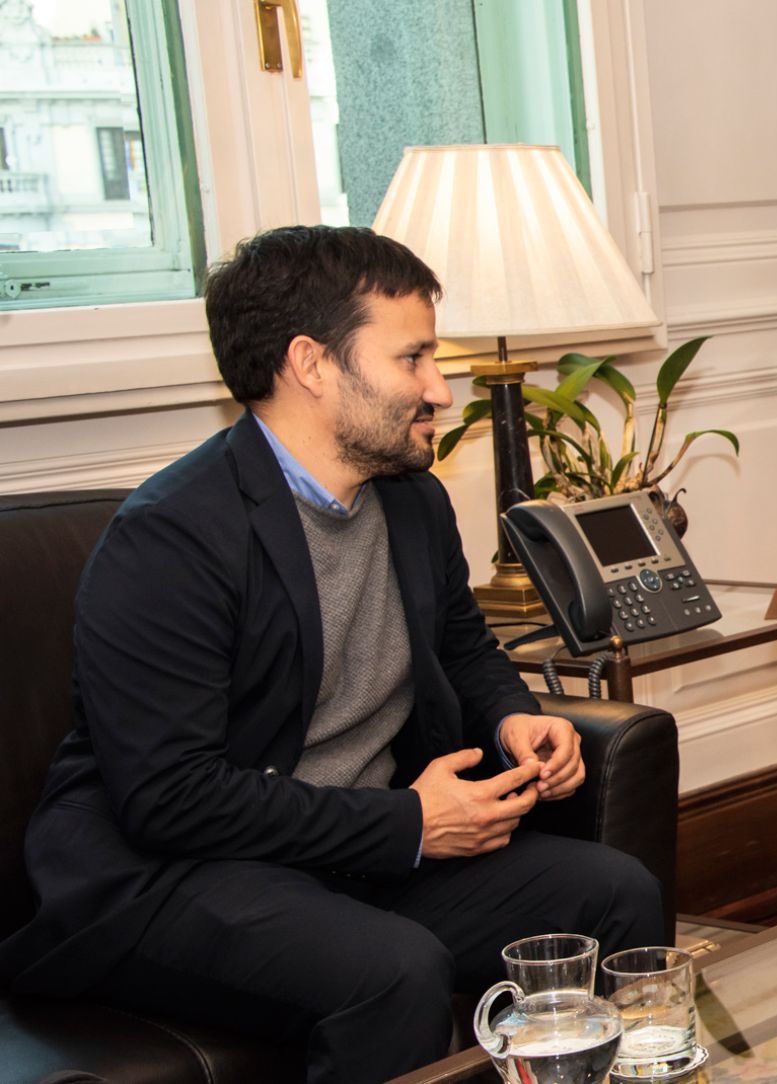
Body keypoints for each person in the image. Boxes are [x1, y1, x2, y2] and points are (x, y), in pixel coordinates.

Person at [0, 226, 664, 1080]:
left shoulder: (412, 501)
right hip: (174, 873)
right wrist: (410, 825)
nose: (439, 387)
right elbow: (169, 798)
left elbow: (464, 648)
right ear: (311, 364)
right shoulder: (170, 538)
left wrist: (514, 720)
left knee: (615, 892)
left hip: (347, 851)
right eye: (413, 358)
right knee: (390, 972)